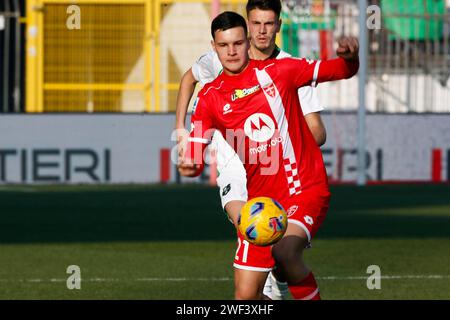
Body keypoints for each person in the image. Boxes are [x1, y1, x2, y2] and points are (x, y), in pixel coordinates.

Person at [178, 11, 359, 300]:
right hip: (259, 206)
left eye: (238, 43)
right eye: (223, 46)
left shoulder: (280, 71)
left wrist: (350, 57)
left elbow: (340, 70)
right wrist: (188, 165)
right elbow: (194, 160)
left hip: (304, 189)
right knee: (245, 298)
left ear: (247, 42)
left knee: (286, 252)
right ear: (214, 47)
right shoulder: (209, 99)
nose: (232, 51)